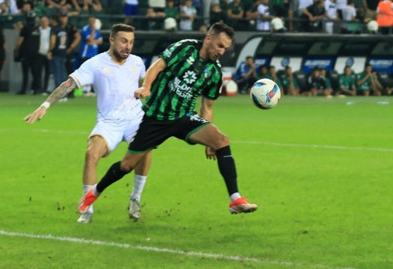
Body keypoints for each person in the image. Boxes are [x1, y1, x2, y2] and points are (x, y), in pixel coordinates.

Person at [77, 21, 258, 218]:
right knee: (127, 166)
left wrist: (209, 142)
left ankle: (235, 199)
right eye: (220, 45)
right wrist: (146, 87)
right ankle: (94, 193)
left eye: (226, 48)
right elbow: (156, 67)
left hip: (183, 117)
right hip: (156, 118)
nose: (222, 51)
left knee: (222, 140)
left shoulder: (214, 72)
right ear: (208, 39)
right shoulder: (185, 48)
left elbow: (207, 107)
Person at [24, 23, 152, 223]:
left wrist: (148, 90)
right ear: (111, 40)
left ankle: (135, 198)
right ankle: (88, 207)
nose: (128, 46)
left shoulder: (137, 62)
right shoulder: (95, 64)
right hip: (108, 121)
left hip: (135, 119)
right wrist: (45, 105)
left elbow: (148, 84)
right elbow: (67, 85)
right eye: (124, 41)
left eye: (131, 42)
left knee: (145, 149)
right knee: (91, 154)